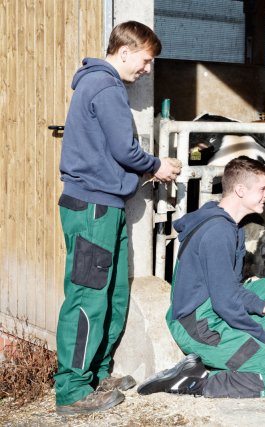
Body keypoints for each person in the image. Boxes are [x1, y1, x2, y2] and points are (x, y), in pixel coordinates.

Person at [55, 21, 182, 415]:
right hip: (93, 206)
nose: (146, 70)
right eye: (145, 61)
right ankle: (72, 389)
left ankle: (96, 373)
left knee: (113, 292)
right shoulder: (106, 86)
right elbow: (125, 151)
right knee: (88, 295)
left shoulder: (99, 86)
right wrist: (157, 165)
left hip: (105, 203)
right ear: (124, 51)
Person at [137, 156, 265, 398]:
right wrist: (264, 338)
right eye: (263, 189)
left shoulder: (231, 227)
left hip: (210, 310)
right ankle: (195, 381)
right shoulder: (218, 232)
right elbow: (226, 302)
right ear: (241, 190)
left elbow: (233, 291)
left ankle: (244, 345)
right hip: (199, 327)